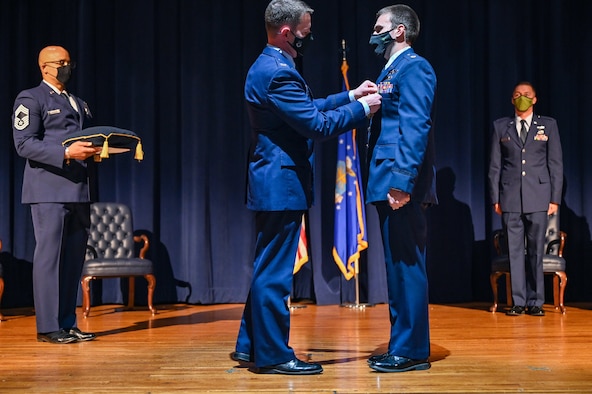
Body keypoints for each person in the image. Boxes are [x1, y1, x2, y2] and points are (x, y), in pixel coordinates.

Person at [231, 0, 381, 375]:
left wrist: (350, 96)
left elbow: (306, 106)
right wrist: (363, 111)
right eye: (305, 29)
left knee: (268, 265)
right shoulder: (277, 72)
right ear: (287, 32)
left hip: (273, 181)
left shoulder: (271, 65)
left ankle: (251, 346)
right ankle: (274, 355)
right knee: (276, 272)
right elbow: (316, 125)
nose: (309, 35)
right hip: (280, 182)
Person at [365, 4, 437, 373]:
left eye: (380, 27)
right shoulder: (390, 69)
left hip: (399, 183)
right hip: (385, 179)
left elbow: (415, 126)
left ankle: (411, 352)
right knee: (395, 268)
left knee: (407, 266)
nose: (373, 33)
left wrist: (402, 182)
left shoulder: (415, 67)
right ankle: (401, 344)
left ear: (399, 32)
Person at [12, 45, 99, 344]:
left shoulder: (77, 101)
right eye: (60, 62)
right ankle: (48, 327)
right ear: (44, 67)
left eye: (68, 62)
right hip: (48, 188)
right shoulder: (30, 98)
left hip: (78, 190)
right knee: (50, 259)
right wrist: (66, 153)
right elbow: (24, 144)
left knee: (73, 261)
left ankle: (66, 322)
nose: (67, 67)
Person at [488, 81, 563, 317]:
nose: (522, 98)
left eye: (526, 95)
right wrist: (495, 198)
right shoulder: (501, 127)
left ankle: (536, 301)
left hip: (539, 198)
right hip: (509, 198)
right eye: (518, 95)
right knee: (515, 251)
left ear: (535, 99)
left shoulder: (547, 125)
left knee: (536, 252)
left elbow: (556, 165)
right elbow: (494, 167)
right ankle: (518, 301)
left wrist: (555, 199)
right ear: (512, 100)